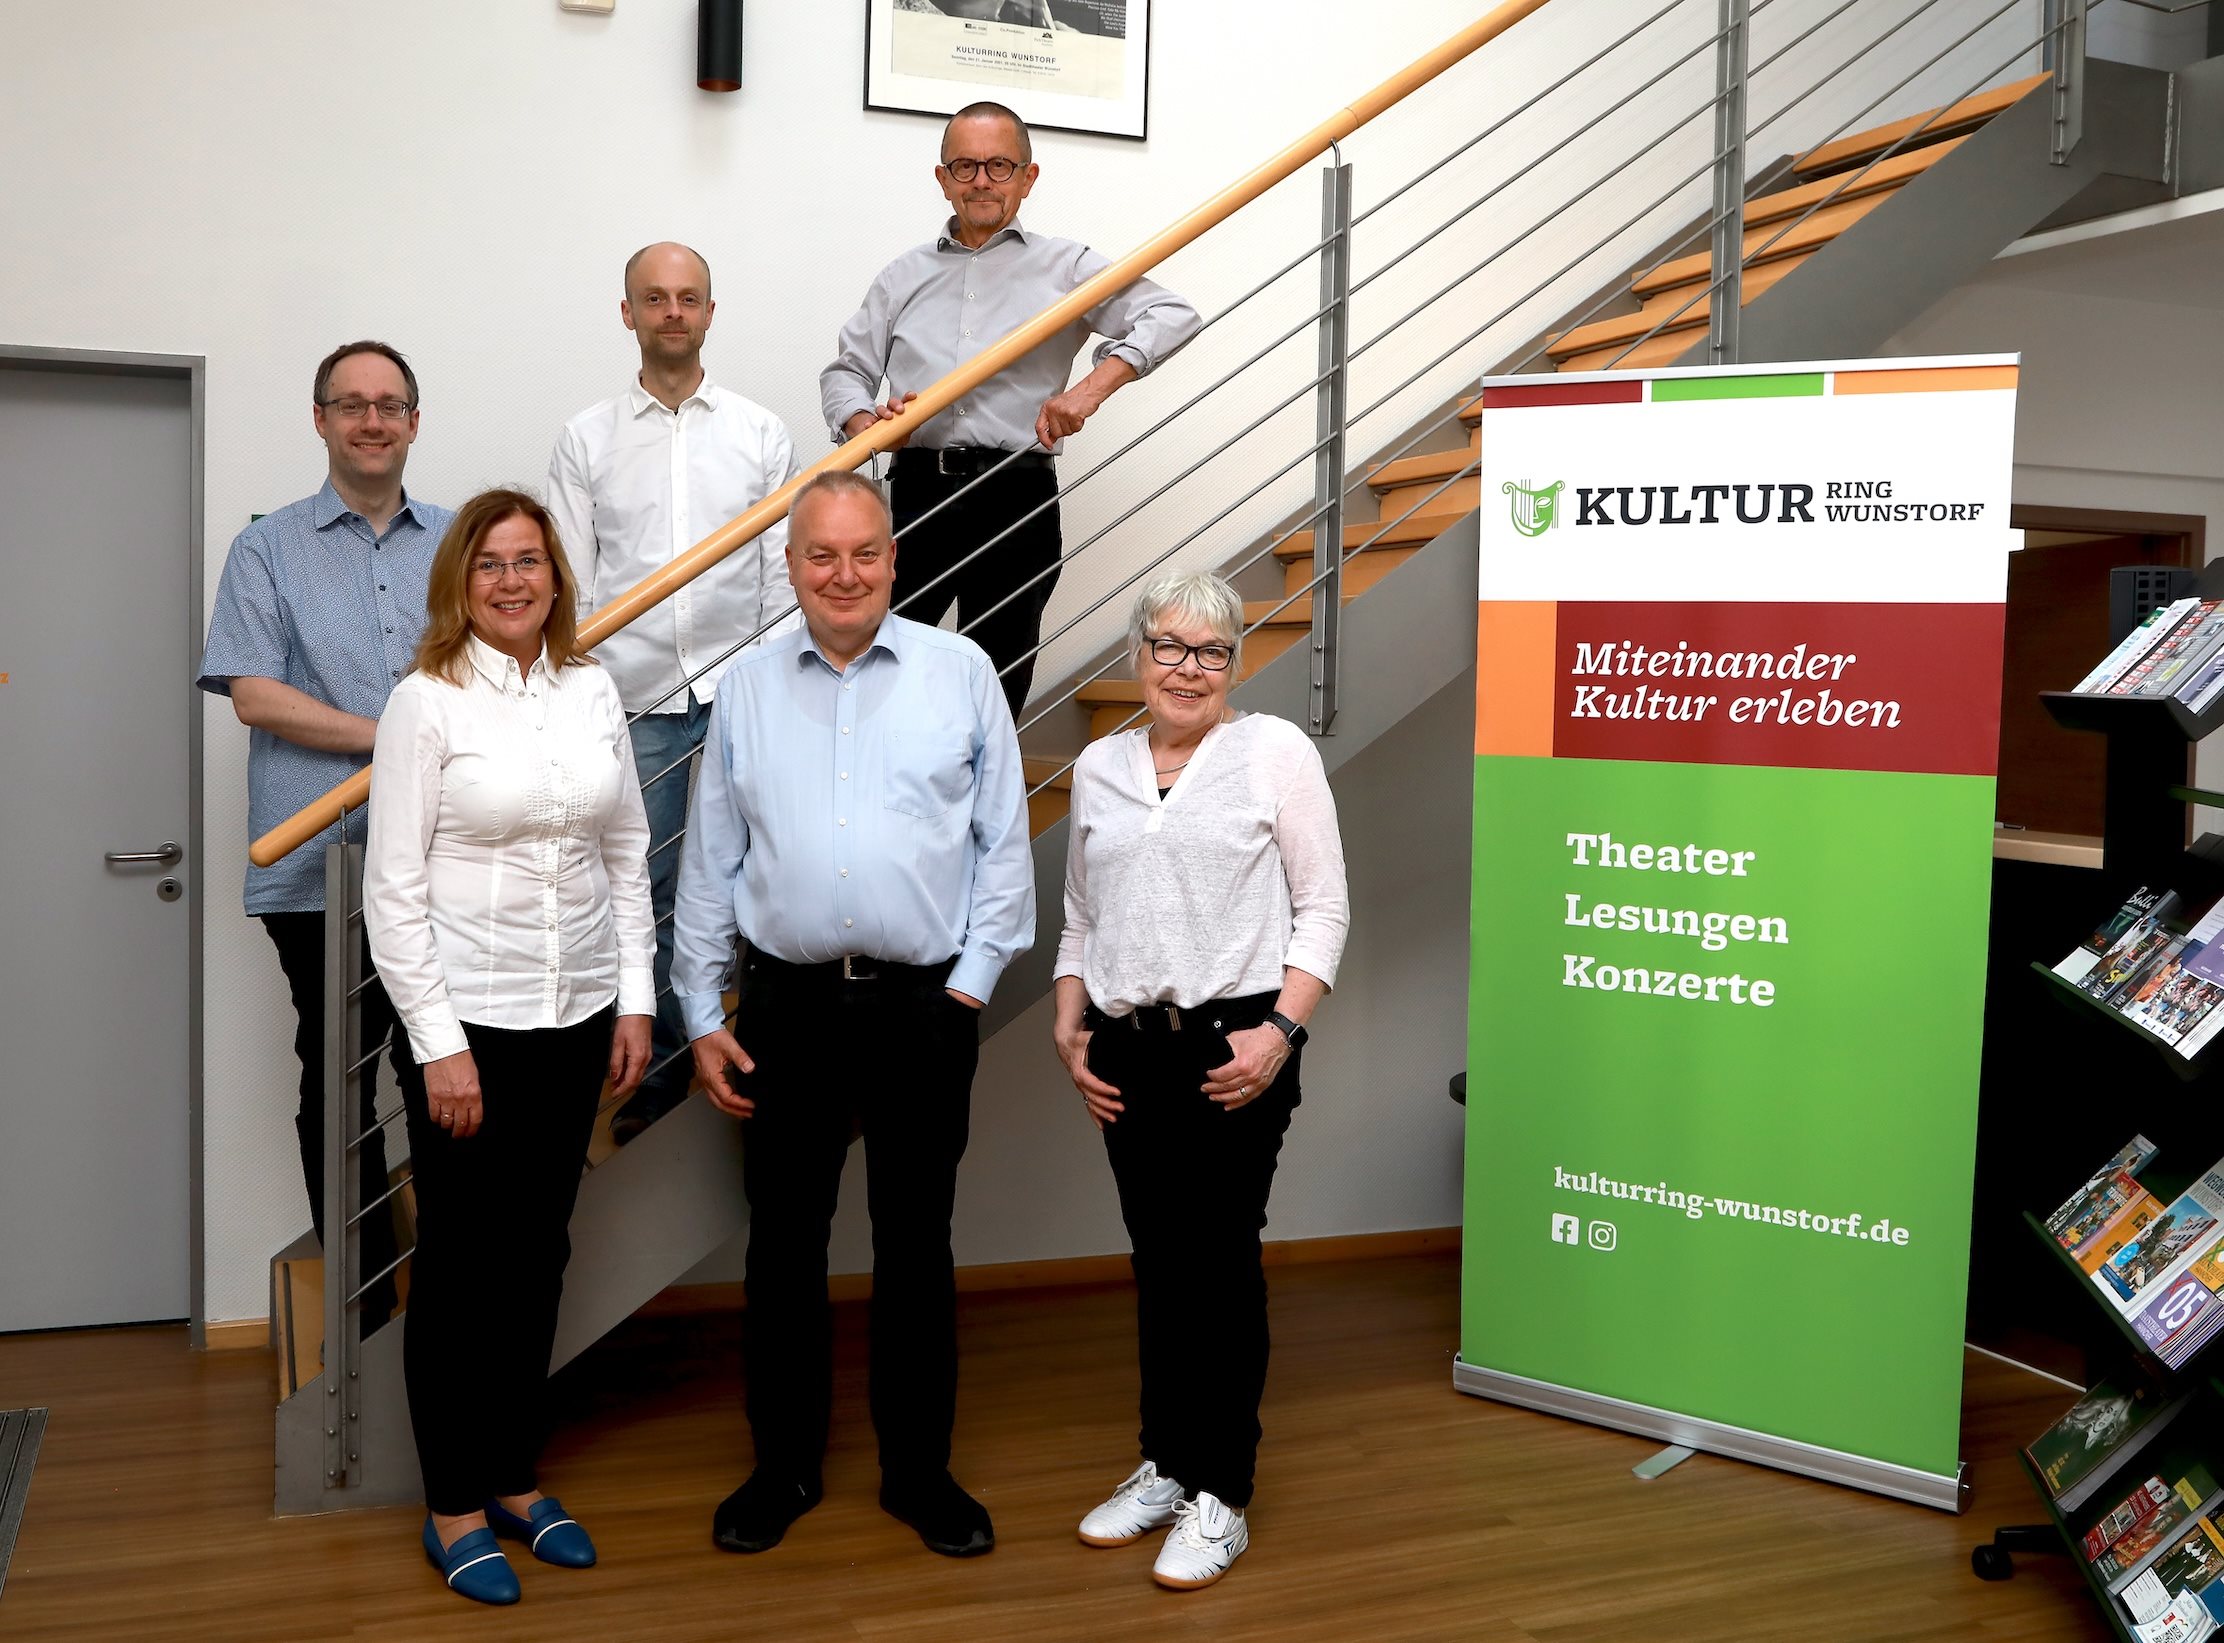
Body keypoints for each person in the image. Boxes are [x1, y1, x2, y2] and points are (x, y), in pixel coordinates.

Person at [672, 470, 1034, 1560]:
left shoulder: (960, 672)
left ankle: (920, 1472)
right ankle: (780, 1467)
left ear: (894, 557)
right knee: (784, 1244)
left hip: (922, 1003)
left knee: (916, 1240)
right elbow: (710, 860)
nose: (844, 574)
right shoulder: (745, 689)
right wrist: (701, 1010)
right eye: (821, 555)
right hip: (785, 1005)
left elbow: (1002, 847)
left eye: (864, 552)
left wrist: (968, 986)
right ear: (789, 566)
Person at [362, 489, 655, 1605]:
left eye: (529, 560)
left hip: (575, 1015)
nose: (512, 580)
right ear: (459, 581)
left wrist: (635, 1000)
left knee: (540, 1253)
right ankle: (451, 1504)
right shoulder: (424, 702)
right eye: (490, 563)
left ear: (555, 577)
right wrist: (438, 1047)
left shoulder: (591, 688)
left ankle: (513, 1476)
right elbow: (392, 890)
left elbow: (625, 852)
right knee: (460, 1266)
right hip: (469, 1028)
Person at [1050, 570, 1348, 1590]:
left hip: (1235, 1050)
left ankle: (1223, 1489)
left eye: (1211, 651)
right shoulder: (1100, 765)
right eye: (1169, 647)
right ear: (1138, 654)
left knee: (1218, 1260)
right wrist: (1069, 1018)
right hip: (1126, 1050)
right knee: (1160, 1259)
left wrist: (1280, 1032)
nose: (1188, 668)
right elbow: (1082, 915)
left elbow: (1324, 907)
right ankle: (1168, 1463)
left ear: (1234, 663)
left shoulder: (1275, 751)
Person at [196, 340, 455, 1332]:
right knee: (342, 1080)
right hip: (317, 862)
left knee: (441, 1066)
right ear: (321, 420)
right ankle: (368, 1310)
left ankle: (445, 1297)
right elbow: (255, 695)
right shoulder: (267, 548)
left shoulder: (458, 543)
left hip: (445, 859)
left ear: (414, 421)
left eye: (390, 404)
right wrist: (395, 734)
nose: (372, 421)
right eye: (352, 404)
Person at [820, 100, 1200, 717]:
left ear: (1028, 177)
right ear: (942, 178)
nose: (982, 181)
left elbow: (1172, 314)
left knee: (997, 684)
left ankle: (984, 782)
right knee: (876, 671)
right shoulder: (901, 276)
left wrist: (1089, 390)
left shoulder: (1066, 266)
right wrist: (867, 428)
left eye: (999, 166)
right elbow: (846, 372)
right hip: (915, 494)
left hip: (1015, 496)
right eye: (965, 167)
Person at [548, 241, 803, 1146]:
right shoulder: (586, 438)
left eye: (688, 298)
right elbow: (570, 585)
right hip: (633, 700)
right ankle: (661, 1076)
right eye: (654, 299)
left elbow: (780, 577)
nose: (671, 312)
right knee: (646, 887)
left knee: (756, 876)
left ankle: (755, 1053)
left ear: (709, 311)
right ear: (628, 313)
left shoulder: (760, 433)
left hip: (741, 693)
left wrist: (761, 685)